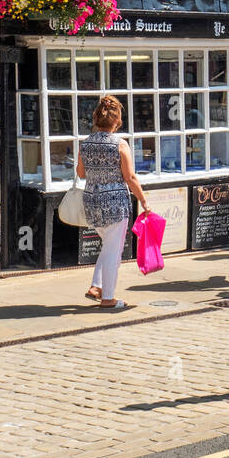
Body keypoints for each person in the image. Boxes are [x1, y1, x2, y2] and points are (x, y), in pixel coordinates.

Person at [77, 95, 146, 310]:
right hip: (115, 203)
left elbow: (80, 173)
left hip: (92, 202)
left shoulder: (86, 143)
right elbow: (130, 177)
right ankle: (108, 298)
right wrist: (143, 200)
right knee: (113, 251)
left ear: (97, 119)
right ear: (117, 121)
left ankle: (96, 286)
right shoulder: (120, 144)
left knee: (109, 247)